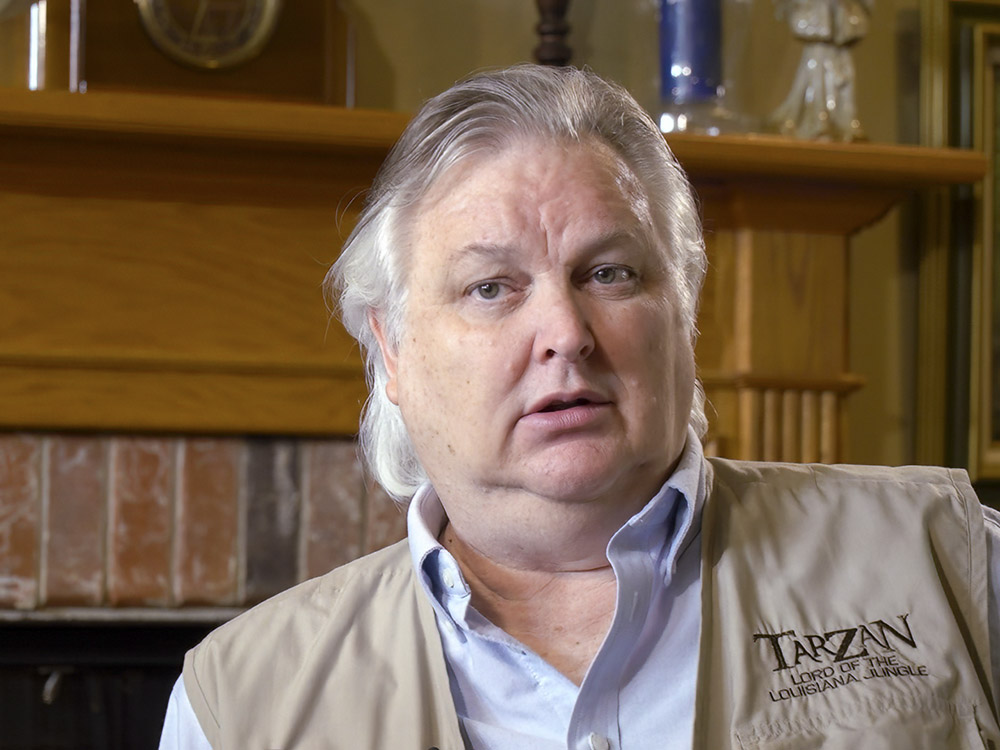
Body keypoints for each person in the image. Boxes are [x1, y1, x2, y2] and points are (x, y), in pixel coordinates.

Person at [159, 64, 1000, 749]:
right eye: (492, 287)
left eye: (611, 273)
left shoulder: (954, 569)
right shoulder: (238, 706)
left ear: (685, 311)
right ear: (392, 352)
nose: (565, 331)